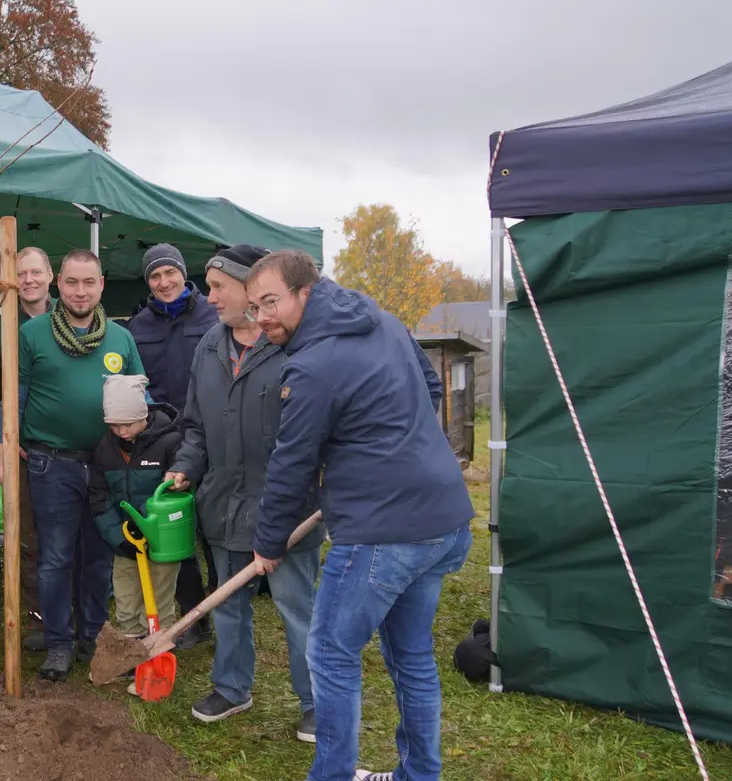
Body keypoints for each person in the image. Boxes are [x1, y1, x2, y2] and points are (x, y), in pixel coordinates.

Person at [243, 249, 475, 781]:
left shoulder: (313, 365)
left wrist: (269, 543)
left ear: (306, 291)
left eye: (271, 302)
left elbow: (292, 464)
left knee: (330, 654)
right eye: (254, 307)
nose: (262, 318)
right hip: (441, 520)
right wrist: (397, 444)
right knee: (412, 655)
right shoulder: (385, 322)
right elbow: (431, 389)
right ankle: (420, 775)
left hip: (383, 532)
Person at [164, 244, 323, 742]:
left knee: (297, 607)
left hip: (286, 508)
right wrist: (185, 468)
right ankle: (232, 687)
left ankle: (316, 702)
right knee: (228, 603)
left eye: (218, 287)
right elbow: (196, 426)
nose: (208, 297)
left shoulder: (292, 345)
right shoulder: (209, 347)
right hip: (223, 504)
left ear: (249, 289)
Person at [0, 248, 145, 681]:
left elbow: (140, 398)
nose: (80, 291)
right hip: (51, 464)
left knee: (98, 557)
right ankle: (58, 642)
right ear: (59, 283)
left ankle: (91, 635)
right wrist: (4, 450)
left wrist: (140, 434)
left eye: (89, 282)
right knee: (55, 558)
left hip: (105, 467)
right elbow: (13, 397)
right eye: (72, 282)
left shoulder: (121, 339)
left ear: (102, 285)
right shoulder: (32, 334)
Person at [128, 243, 219, 650]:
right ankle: (193, 617)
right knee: (175, 530)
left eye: (170, 273)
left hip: (212, 438)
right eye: (155, 275)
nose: (164, 282)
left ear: (184, 274)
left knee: (215, 530)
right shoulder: (138, 326)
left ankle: (226, 611)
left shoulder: (213, 316)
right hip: (163, 442)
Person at [0, 246, 54, 649]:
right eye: (21, 273)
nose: (29, 280)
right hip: (21, 448)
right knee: (29, 535)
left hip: (70, 446)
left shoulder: (71, 316)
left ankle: (79, 611)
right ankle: (39, 617)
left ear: (51, 276)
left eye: (36, 272)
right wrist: (3, 441)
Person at [86, 373, 183, 690]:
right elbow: (99, 497)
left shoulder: (170, 442)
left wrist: (157, 531)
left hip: (162, 542)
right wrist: (118, 536)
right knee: (126, 597)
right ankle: (129, 657)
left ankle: (158, 652)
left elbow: (177, 495)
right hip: (126, 540)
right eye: (114, 426)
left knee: (160, 597)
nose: (122, 432)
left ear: (143, 415)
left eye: (127, 424)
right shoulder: (105, 449)